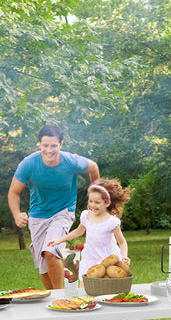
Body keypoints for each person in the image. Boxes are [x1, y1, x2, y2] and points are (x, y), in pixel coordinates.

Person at [8, 124, 100, 289]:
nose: (49, 150)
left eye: (53, 146)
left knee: (51, 252)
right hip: (37, 216)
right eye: (45, 145)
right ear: (39, 144)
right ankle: (54, 300)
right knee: (43, 265)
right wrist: (16, 214)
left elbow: (93, 167)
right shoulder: (28, 164)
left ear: (61, 145)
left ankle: (61, 298)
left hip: (63, 212)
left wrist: (94, 195)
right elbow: (13, 192)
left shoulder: (70, 161)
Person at [47, 178, 131, 282]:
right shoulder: (86, 216)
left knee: (105, 289)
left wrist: (124, 257)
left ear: (107, 203)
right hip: (89, 258)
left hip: (107, 259)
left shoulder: (111, 222)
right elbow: (78, 231)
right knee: (85, 288)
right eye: (90, 201)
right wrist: (59, 240)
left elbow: (122, 242)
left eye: (97, 202)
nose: (92, 205)